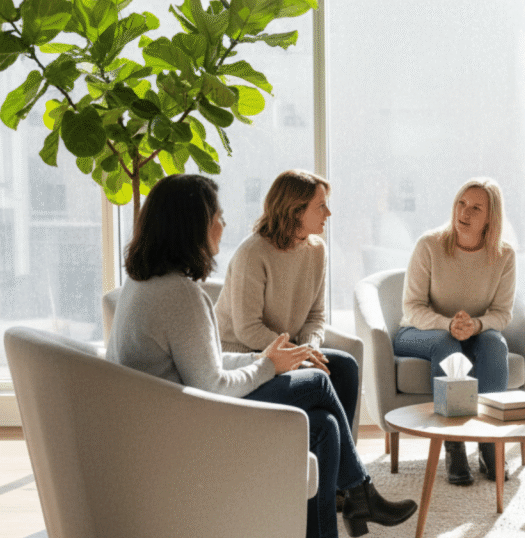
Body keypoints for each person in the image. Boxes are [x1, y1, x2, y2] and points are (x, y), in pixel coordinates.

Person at [107, 174, 416, 538]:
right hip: (190, 430)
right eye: (216, 217)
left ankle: (346, 499)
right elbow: (214, 382)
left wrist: (271, 360)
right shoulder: (181, 295)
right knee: (318, 383)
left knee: (326, 427)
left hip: (178, 415)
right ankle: (359, 490)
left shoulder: (148, 282)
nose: (223, 225)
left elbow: (206, 366)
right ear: (192, 227)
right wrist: (268, 364)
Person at [215, 169, 360, 469]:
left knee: (345, 367)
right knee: (320, 379)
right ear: (295, 210)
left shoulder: (317, 251)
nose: (328, 213)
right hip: (248, 357)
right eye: (321, 205)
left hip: (289, 351)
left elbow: (315, 316)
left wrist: (309, 348)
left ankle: (337, 480)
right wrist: (298, 355)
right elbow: (247, 329)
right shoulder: (252, 253)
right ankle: (351, 476)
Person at [393, 178, 516, 486]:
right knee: (447, 344)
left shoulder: (504, 255)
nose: (465, 212)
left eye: (476, 208)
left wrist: (475, 325)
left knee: (494, 344)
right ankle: (454, 445)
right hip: (419, 332)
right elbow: (412, 308)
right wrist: (448, 324)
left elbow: (502, 314)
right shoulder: (430, 245)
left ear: (490, 217)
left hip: (473, 332)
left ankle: (490, 444)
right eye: (462, 203)